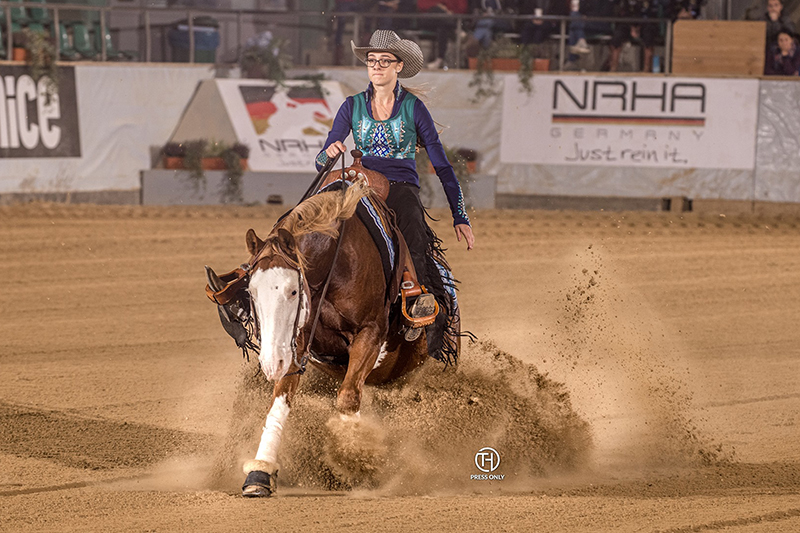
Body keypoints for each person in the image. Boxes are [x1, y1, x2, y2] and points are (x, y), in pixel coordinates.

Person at [315, 29, 475, 343]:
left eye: (383, 61)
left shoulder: (414, 108)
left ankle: (414, 299)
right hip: (359, 184)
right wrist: (329, 152)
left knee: (413, 228)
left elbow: (442, 166)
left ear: (398, 66)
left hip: (401, 186)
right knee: (315, 221)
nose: (376, 66)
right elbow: (322, 160)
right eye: (371, 61)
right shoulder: (351, 105)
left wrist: (460, 216)